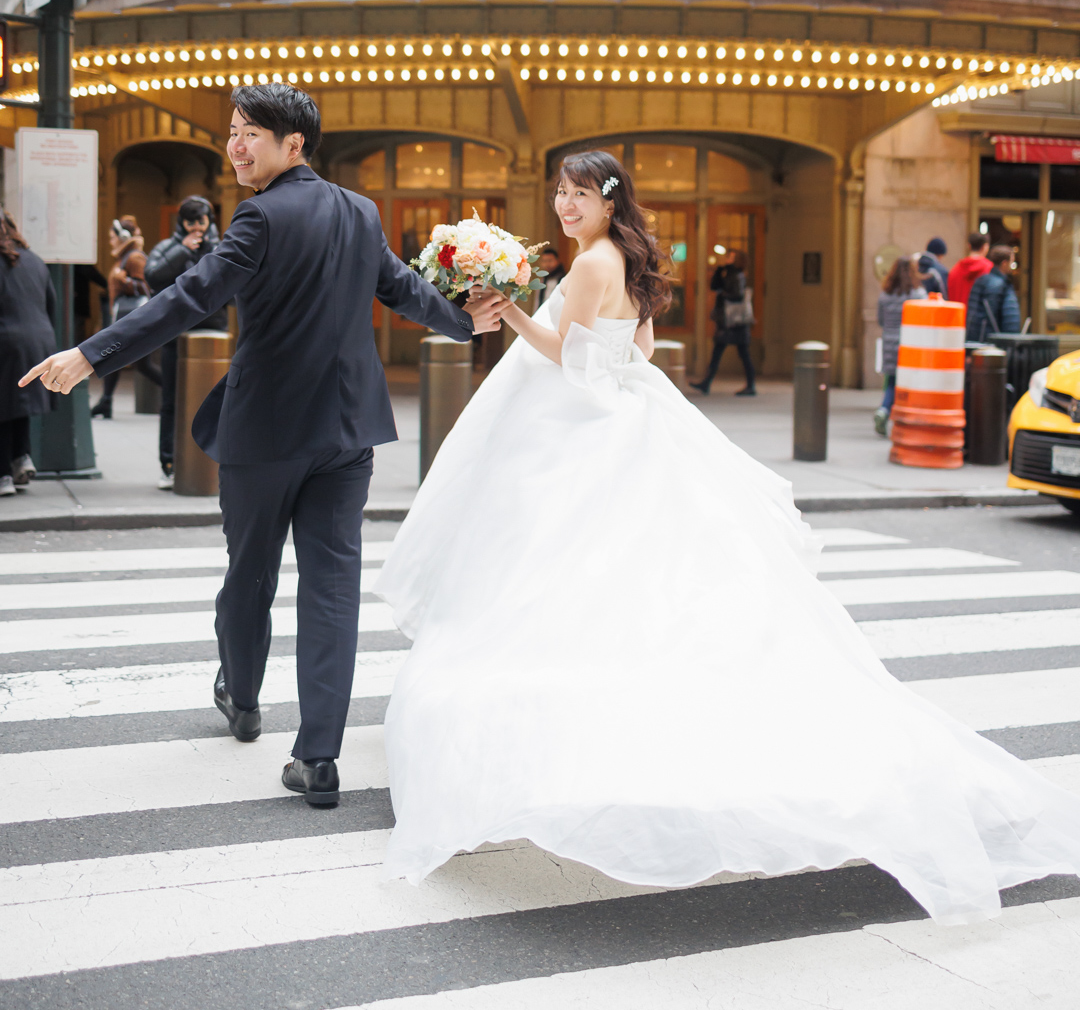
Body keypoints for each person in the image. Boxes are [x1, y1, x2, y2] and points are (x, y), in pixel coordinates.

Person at [373, 147, 1080, 921]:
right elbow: (635, 352)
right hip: (628, 416)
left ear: (609, 202)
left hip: (577, 421)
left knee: (557, 569)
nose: (565, 206)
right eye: (560, 194)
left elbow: (567, 360)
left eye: (578, 194)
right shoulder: (627, 262)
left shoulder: (586, 268)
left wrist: (509, 312)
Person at [21, 83, 503, 808]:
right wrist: (465, 323)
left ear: (294, 145)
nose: (235, 145)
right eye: (234, 132)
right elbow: (401, 289)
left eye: (250, 133)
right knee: (333, 589)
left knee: (249, 573)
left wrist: (90, 355)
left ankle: (242, 701)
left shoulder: (259, 219)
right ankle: (319, 757)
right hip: (347, 432)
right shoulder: (359, 211)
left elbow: (188, 300)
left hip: (267, 432)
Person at [145, 196, 229, 490]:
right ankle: (169, 463)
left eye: (201, 221)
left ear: (209, 221)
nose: (196, 228)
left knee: (219, 402)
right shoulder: (170, 246)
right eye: (189, 222)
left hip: (215, 334)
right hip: (175, 334)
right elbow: (152, 274)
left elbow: (233, 288)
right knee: (171, 400)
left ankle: (213, 463)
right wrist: (182, 251)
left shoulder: (221, 248)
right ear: (181, 222)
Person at [0, 212, 55, 496]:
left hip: (7, 339)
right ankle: (20, 458)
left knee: (4, 404)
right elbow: (50, 302)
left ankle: (3, 475)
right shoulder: (33, 259)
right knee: (16, 400)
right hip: (38, 339)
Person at [89, 217, 163, 419]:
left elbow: (146, 288)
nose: (111, 241)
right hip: (123, 318)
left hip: (134, 320)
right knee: (114, 358)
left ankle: (174, 393)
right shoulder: (124, 257)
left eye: (113, 237)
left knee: (142, 364)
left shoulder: (134, 258)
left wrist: (125, 280)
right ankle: (106, 401)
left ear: (123, 237)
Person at [690, 249, 755, 396]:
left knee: (741, 353)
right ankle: (707, 382)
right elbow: (714, 286)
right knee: (720, 352)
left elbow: (737, 295)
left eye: (731, 257)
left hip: (733, 321)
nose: (727, 259)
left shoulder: (737, 275)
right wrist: (719, 272)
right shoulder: (728, 273)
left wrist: (724, 295)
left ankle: (750, 385)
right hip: (728, 321)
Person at [874, 255, 926, 436]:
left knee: (891, 380)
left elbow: (880, 320)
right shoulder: (918, 294)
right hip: (909, 343)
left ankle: (884, 410)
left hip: (889, 341)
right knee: (905, 383)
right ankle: (891, 412)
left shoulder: (885, 294)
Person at [966, 244, 1022, 343]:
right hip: (997, 345)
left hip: (977, 342)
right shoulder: (1003, 286)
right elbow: (1011, 320)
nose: (1012, 267)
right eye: (1012, 262)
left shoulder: (979, 281)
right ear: (1004, 263)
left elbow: (972, 316)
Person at [947, 231, 992, 307]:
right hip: (980, 317)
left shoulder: (956, 269)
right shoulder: (989, 269)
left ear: (969, 246)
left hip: (958, 316)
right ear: (985, 247)